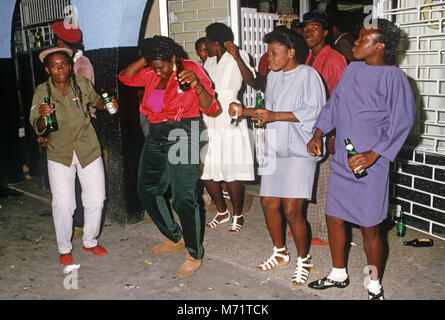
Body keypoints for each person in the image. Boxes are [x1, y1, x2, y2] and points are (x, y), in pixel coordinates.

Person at [306, 19, 416, 300]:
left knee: (370, 228)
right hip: (344, 159)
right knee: (334, 218)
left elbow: (401, 122)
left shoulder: (395, 78)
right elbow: (334, 105)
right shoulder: (352, 69)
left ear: (379, 46)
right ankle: (338, 273)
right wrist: (318, 132)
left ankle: (374, 285)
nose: (355, 42)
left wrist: (374, 154)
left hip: (371, 166)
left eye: (362, 38)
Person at [230, 28, 326, 285]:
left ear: (291, 52)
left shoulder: (308, 75)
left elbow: (314, 112)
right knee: (269, 203)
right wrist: (244, 111)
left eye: (274, 52)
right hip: (274, 147)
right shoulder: (273, 76)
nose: (269, 58)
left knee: (293, 210)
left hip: (299, 148)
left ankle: (304, 259)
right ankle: (280, 252)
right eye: (268, 52)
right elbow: (268, 111)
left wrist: (273, 116)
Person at [118, 36, 219, 279]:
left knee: (183, 198)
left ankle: (194, 254)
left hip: (185, 132)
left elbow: (213, 108)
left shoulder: (190, 69)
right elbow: (125, 76)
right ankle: (175, 237)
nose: (156, 70)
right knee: (147, 189)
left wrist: (197, 85)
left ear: (174, 57)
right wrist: (149, 55)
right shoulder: (151, 72)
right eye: (153, 65)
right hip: (157, 133)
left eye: (161, 65)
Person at [29, 47, 116, 265]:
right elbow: (37, 127)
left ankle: (90, 240)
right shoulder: (42, 92)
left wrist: (107, 104)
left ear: (70, 65)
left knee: (97, 199)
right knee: (64, 204)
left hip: (88, 148)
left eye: (64, 64)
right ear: (48, 69)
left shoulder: (82, 83)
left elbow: (96, 100)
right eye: (55, 65)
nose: (61, 69)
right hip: (59, 152)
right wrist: (42, 117)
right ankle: (64, 247)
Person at [201, 22, 255, 233]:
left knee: (231, 169)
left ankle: (238, 214)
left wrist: (237, 58)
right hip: (210, 114)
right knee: (206, 171)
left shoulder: (239, 55)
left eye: (207, 43)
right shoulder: (210, 62)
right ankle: (222, 211)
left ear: (216, 43)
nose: (205, 48)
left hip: (231, 114)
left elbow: (251, 81)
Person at [302, 10, 347, 246]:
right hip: (313, 128)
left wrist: (334, 133)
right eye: (306, 28)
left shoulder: (335, 58)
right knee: (313, 178)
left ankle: (326, 231)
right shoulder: (309, 58)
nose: (309, 32)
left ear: (326, 32)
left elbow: (342, 99)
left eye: (315, 28)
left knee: (326, 183)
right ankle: (312, 226)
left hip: (328, 129)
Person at [52, 21, 97, 240]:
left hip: (81, 128)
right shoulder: (64, 63)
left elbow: (83, 101)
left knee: (82, 179)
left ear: (61, 43)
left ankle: (80, 223)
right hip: (64, 128)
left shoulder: (82, 64)